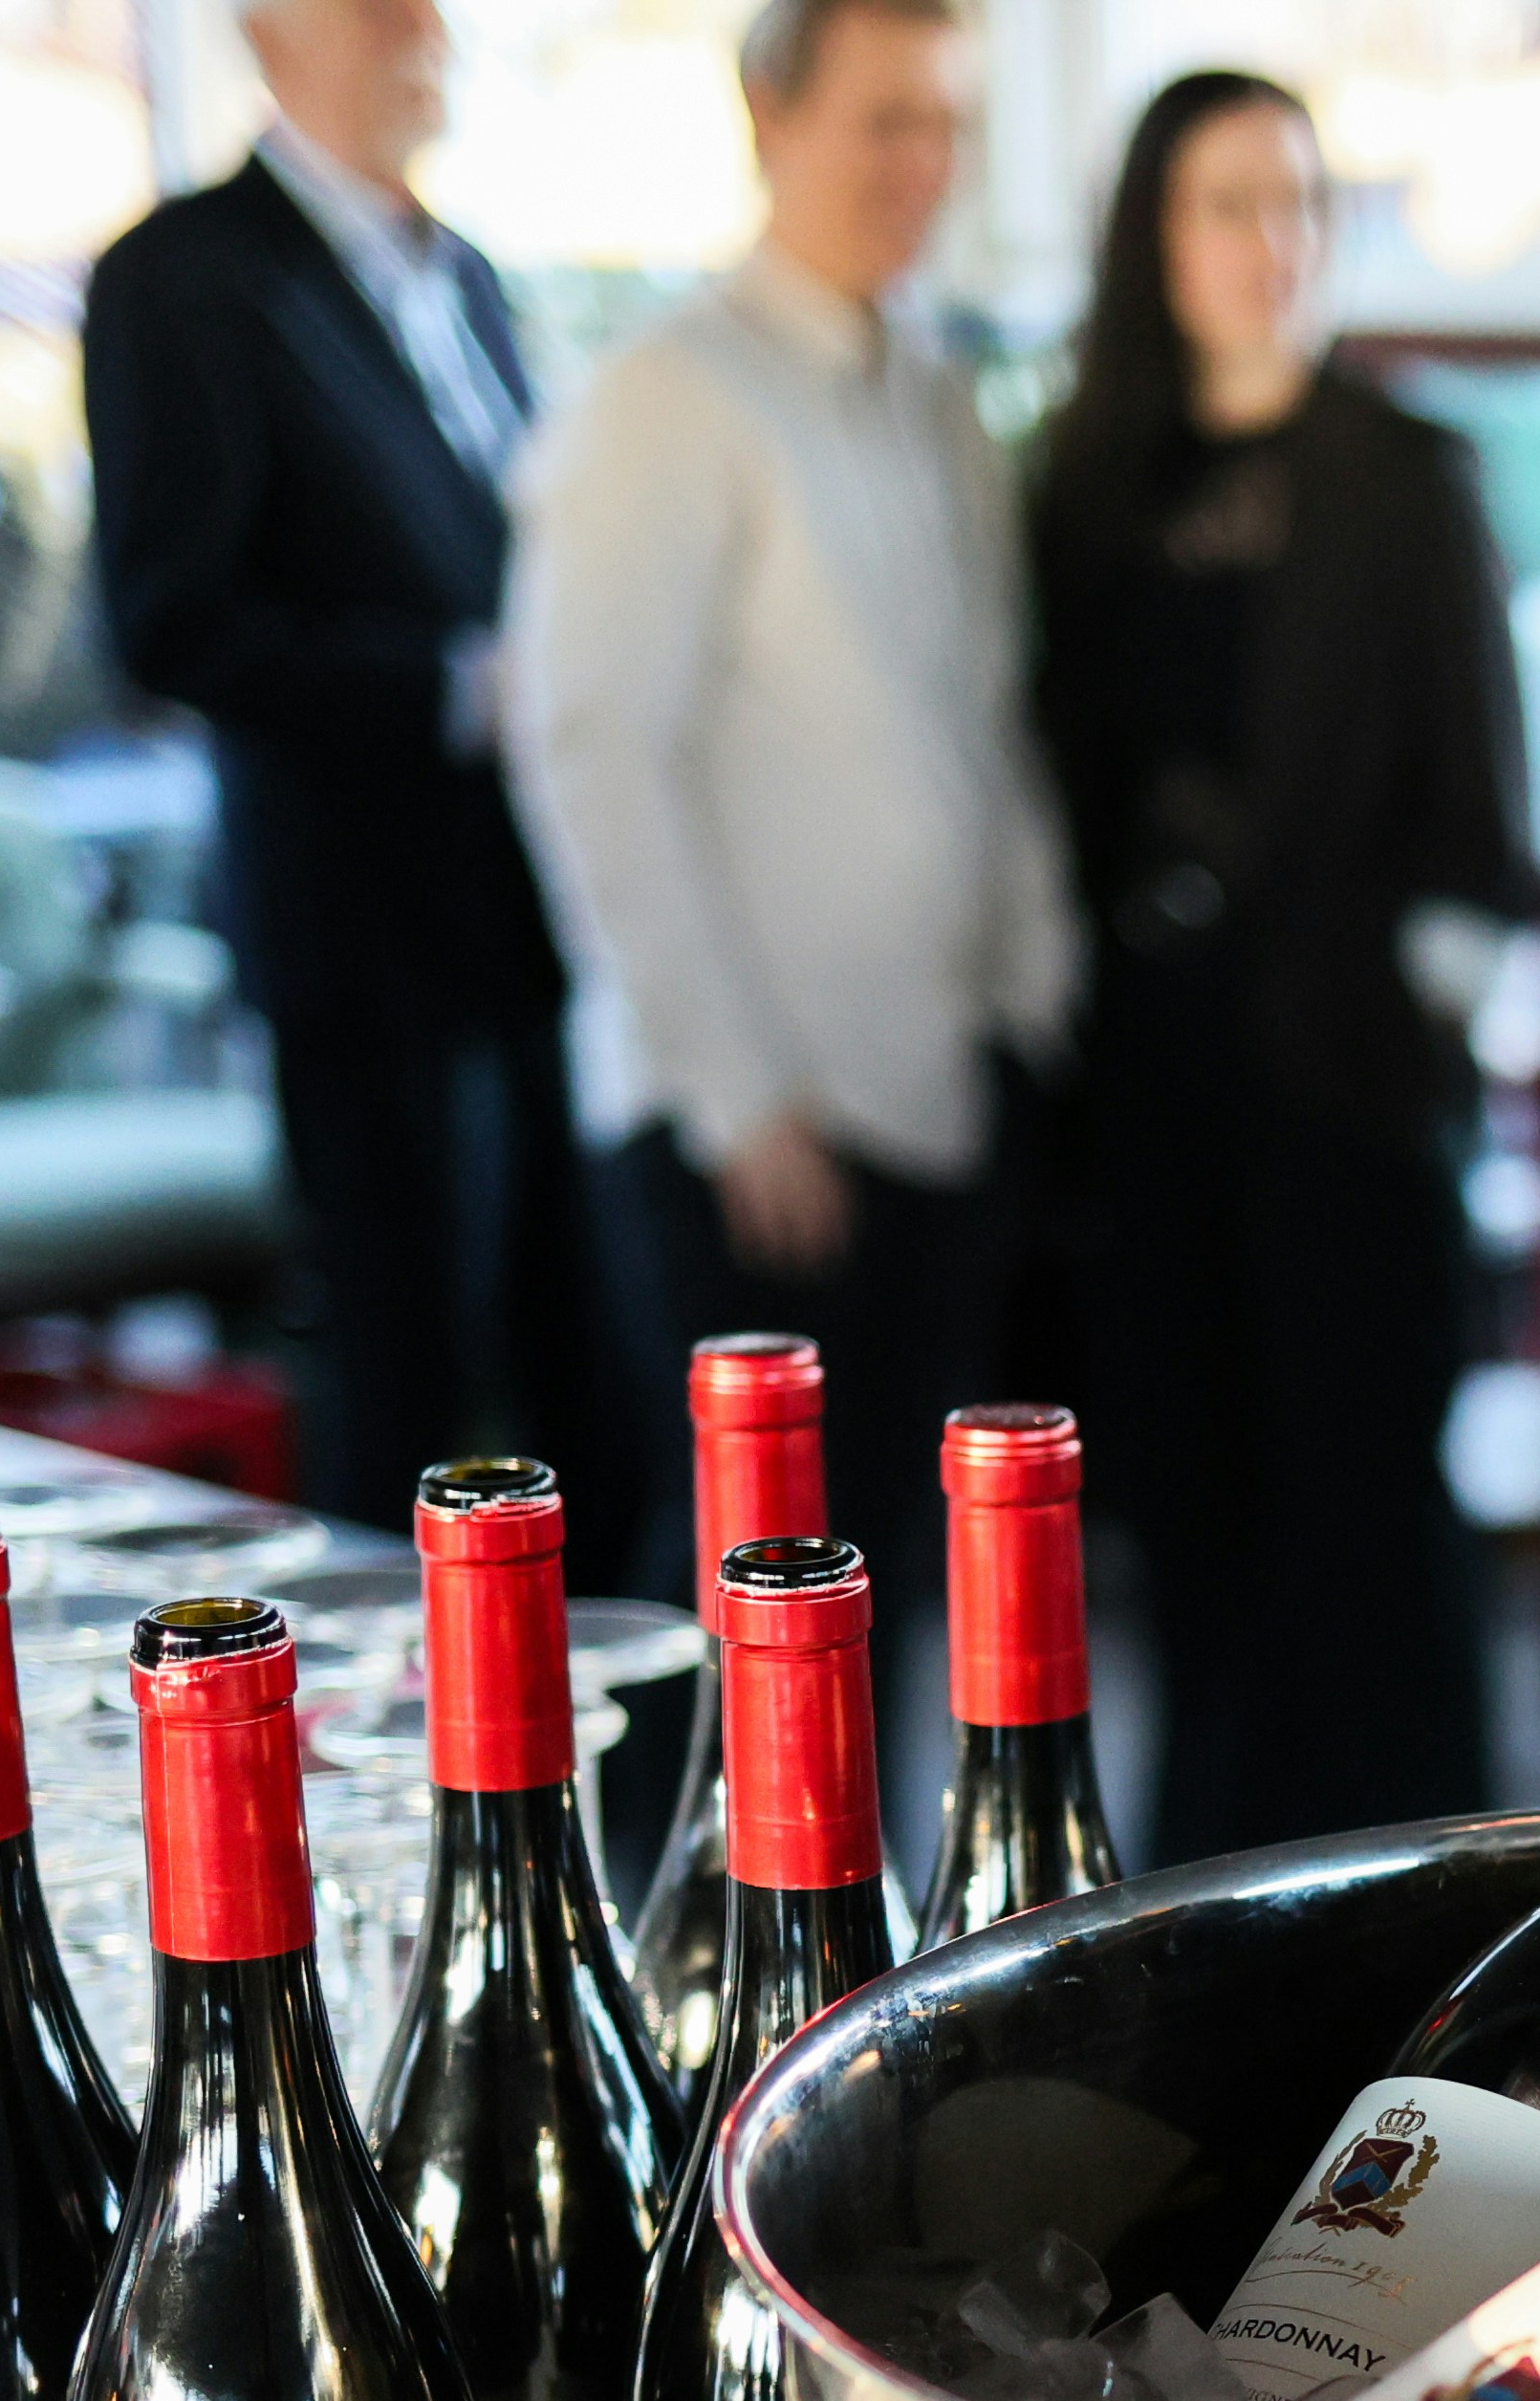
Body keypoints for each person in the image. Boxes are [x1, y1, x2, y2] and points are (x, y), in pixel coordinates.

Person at [503, 0, 1075, 1616]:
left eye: (948, 122)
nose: (925, 164)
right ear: (770, 121)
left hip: (943, 1090)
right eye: (886, 119)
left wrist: (1033, 992)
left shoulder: (936, 394)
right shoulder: (663, 398)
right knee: (745, 1622)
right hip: (755, 1132)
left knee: (897, 1598)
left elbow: (983, 723)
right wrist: (739, 1094)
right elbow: (596, 752)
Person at [1030, 73, 1529, 1863]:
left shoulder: (1407, 474)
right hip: (1146, 1101)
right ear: (1153, 238)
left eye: (1298, 203)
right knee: (1191, 1536)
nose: (1270, 243)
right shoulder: (1079, 488)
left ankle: (1429, 1926)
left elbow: (1483, 828)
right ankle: (1204, 1917)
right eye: (1227, 204)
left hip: (1346, 1086)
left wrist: (1419, 1043)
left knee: (1373, 1542)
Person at [83, 0, 603, 1553]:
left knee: (589, 1384)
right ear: (268, 25)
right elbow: (171, 622)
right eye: (381, 2)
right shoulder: (181, 277)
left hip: (537, 918)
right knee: (409, 1407)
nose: (425, 28)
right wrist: (452, 690)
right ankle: (391, 1764)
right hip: (364, 937)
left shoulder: (476, 278)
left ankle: (585, 1762)